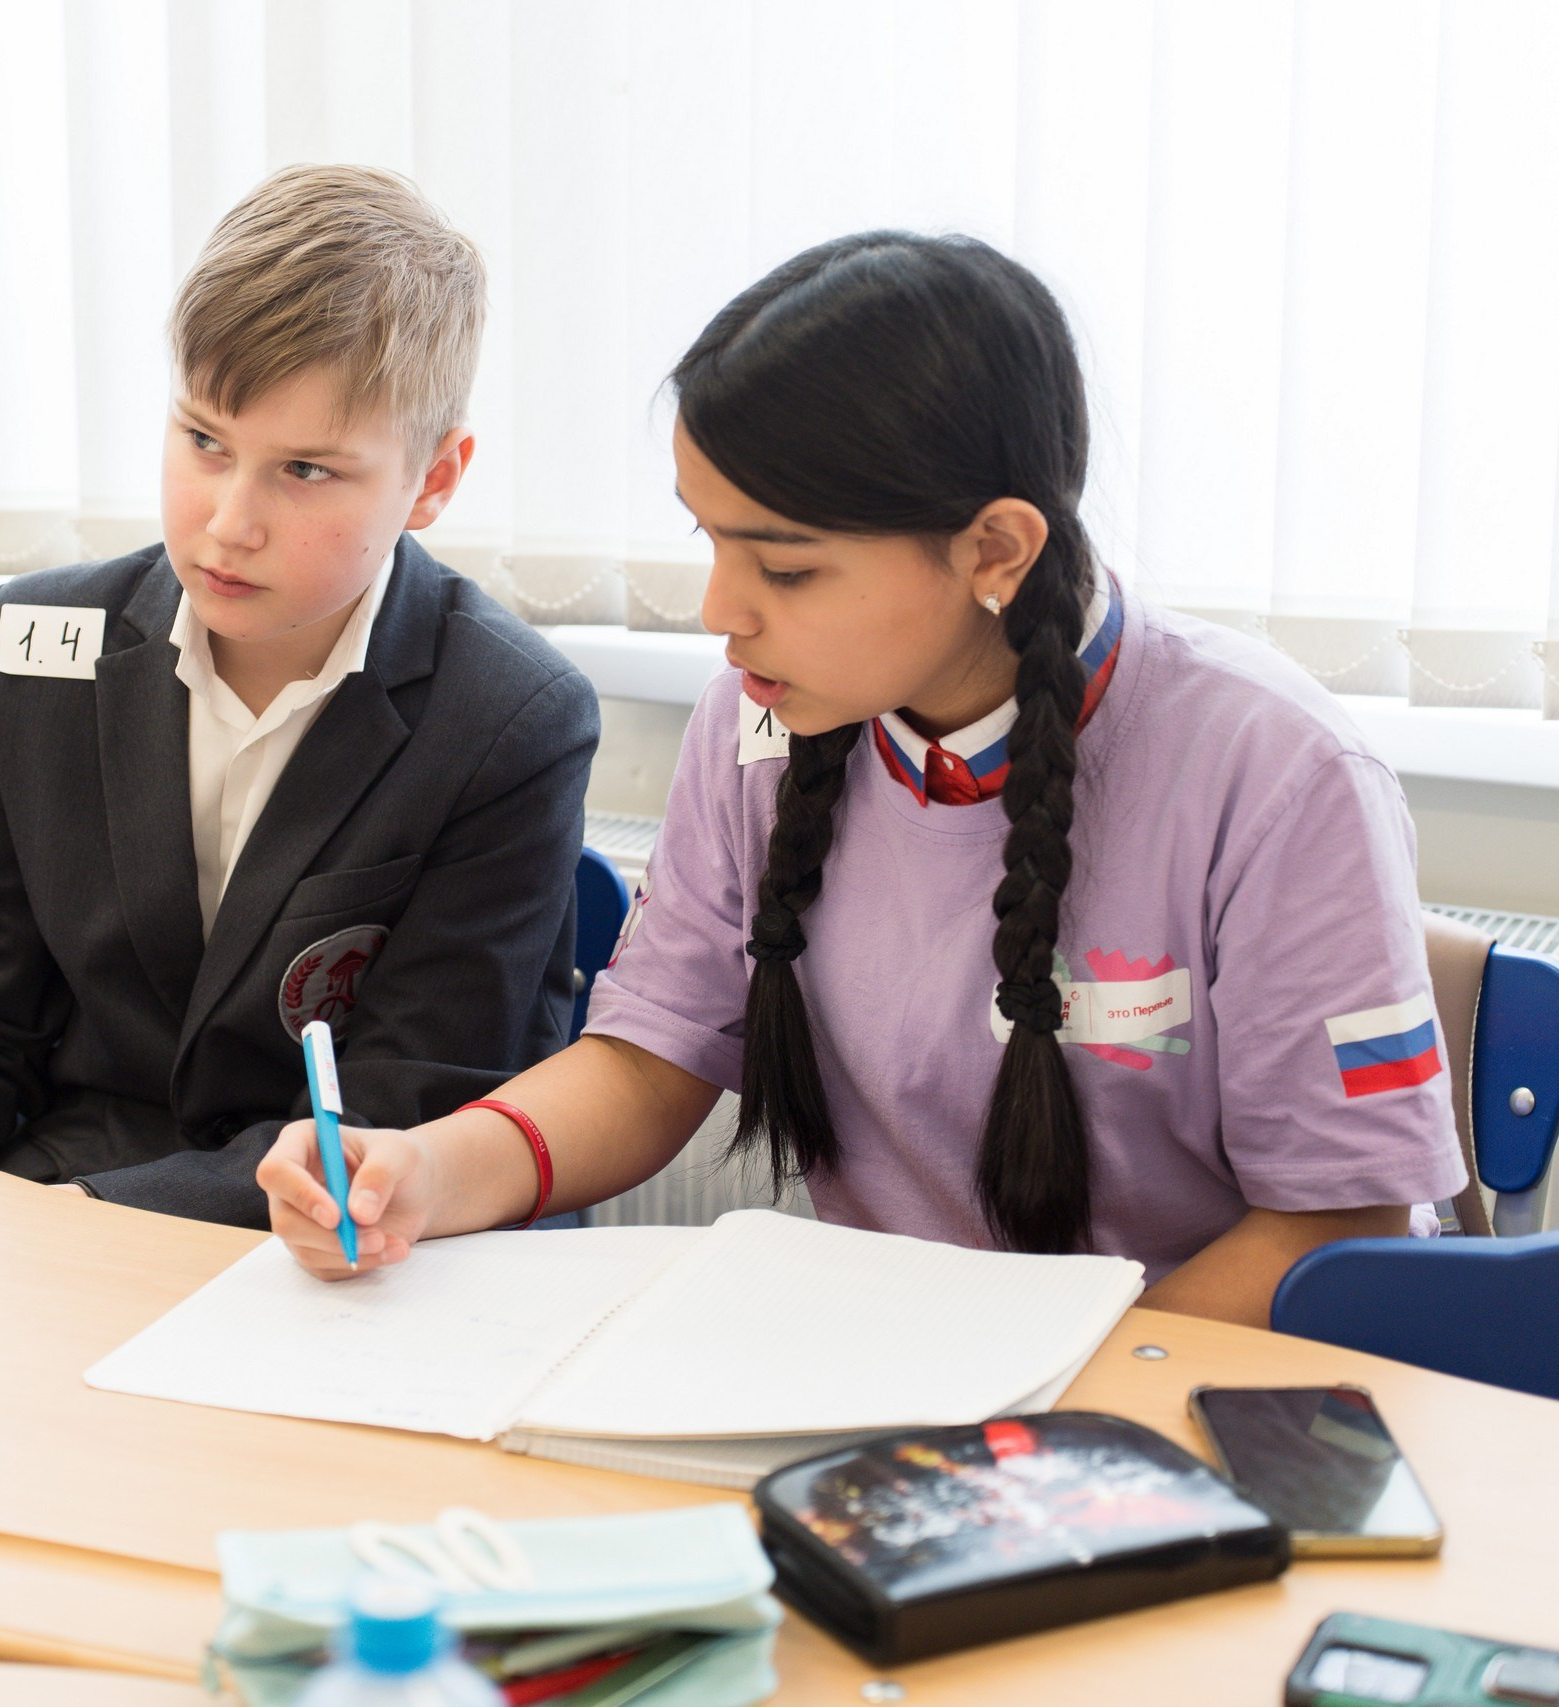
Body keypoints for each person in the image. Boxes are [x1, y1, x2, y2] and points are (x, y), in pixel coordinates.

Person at [257, 232, 1465, 1326]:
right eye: (708, 540)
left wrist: (1050, 1401)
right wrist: (425, 1169)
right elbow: (649, 1058)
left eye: (784, 570)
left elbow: (1336, 1223)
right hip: (902, 1389)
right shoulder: (762, 721)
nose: (719, 615)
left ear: (994, 549)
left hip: (1175, 1400)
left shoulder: (1279, 773)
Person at [0, 166, 599, 1226]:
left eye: (305, 471)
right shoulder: (29, 648)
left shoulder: (512, 716)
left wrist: (72, 1225)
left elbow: (407, 1108)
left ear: (433, 481)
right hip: (61, 1205)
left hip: (342, 1249)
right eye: (205, 443)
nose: (229, 522)